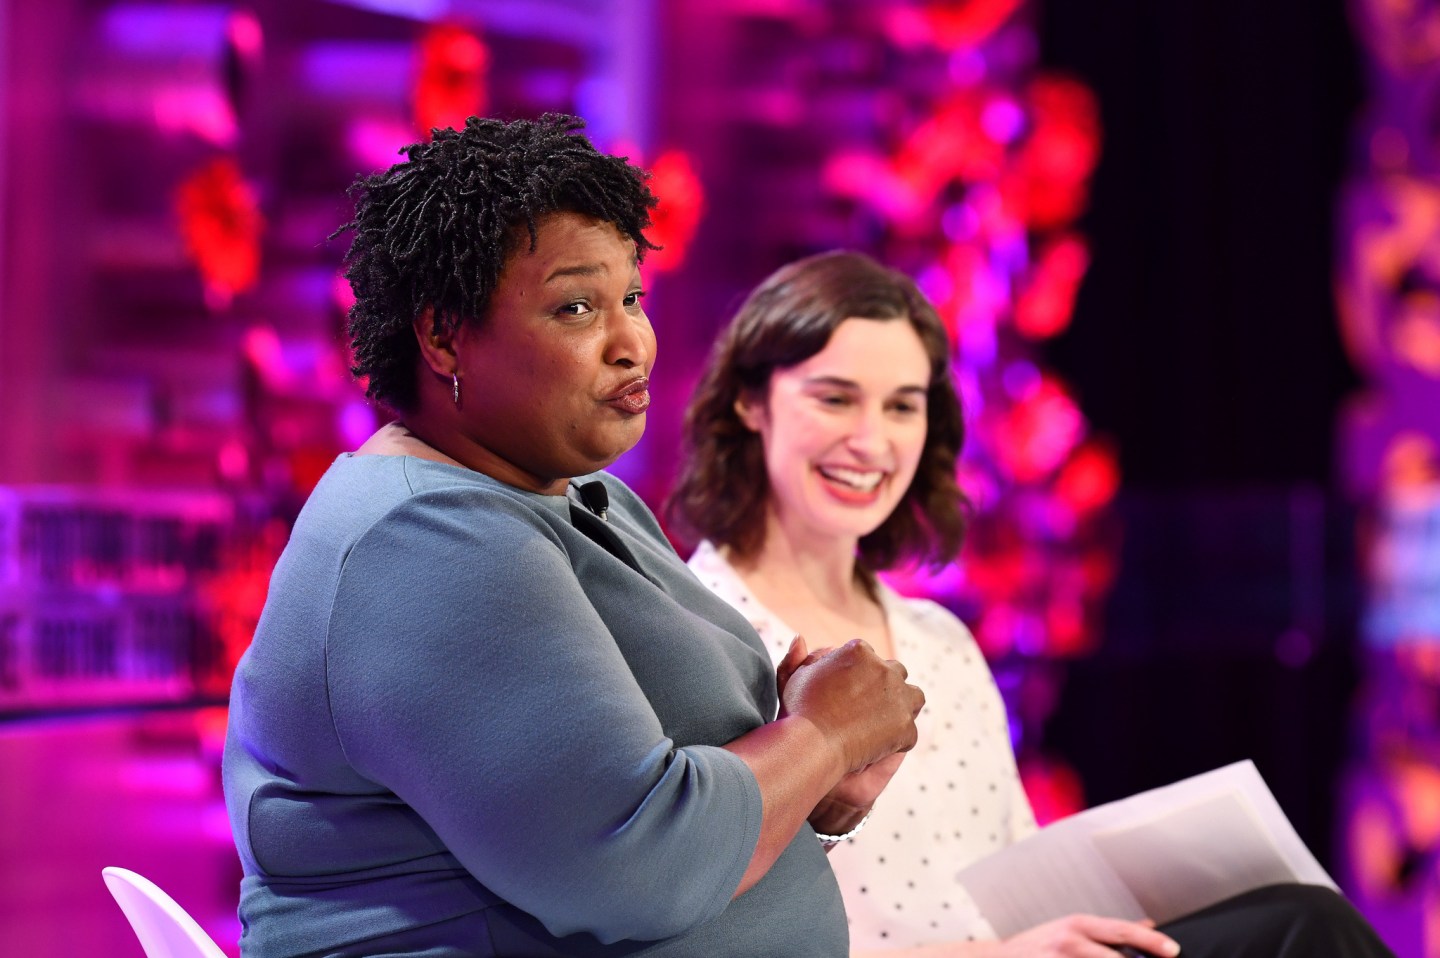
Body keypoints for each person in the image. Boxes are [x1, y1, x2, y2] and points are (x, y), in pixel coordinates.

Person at [221, 117, 924, 958]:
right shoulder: (426, 541)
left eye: (632, 297)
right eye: (576, 307)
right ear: (445, 334)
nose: (631, 343)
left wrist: (818, 787)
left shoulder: (577, 493)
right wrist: (822, 736)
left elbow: (666, 803)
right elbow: (637, 868)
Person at [669, 249, 1398, 958]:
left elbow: (1018, 873)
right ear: (750, 399)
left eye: (902, 407)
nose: (871, 440)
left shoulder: (939, 640)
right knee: (1304, 929)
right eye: (835, 398)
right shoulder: (693, 631)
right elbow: (701, 932)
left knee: (1288, 912)